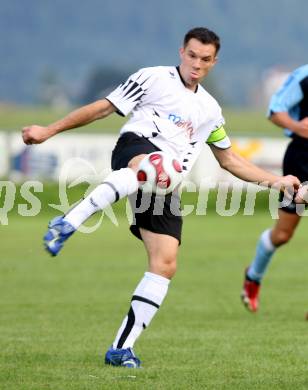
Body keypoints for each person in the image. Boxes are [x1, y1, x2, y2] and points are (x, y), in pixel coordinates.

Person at [22, 27, 301, 368]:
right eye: (193, 55)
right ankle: (69, 221)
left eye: (205, 59)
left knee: (165, 262)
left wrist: (276, 181)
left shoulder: (210, 110)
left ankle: (121, 348)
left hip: (165, 184)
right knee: (159, 166)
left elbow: (229, 160)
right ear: (182, 52)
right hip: (135, 149)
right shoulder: (153, 78)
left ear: (214, 62)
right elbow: (102, 108)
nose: (197, 64)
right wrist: (48, 130)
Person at [241, 64, 308, 313]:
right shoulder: (304, 77)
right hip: (302, 161)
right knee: (282, 235)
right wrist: (301, 127)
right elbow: (274, 112)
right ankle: (253, 276)